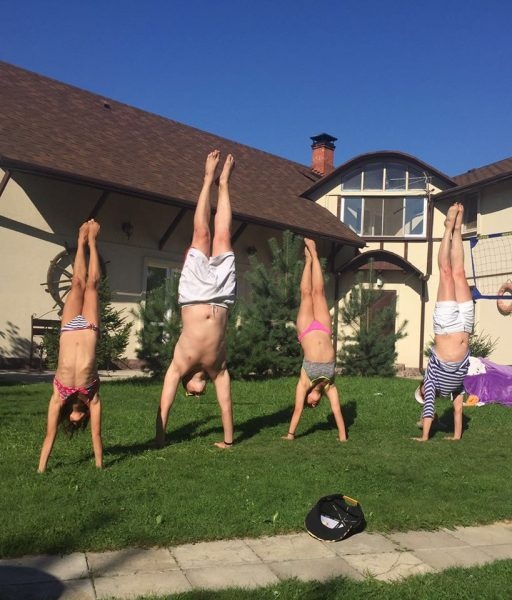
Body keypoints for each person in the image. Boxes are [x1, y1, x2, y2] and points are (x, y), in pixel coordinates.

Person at [156, 150, 236, 449]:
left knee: (201, 234)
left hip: (193, 295)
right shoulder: (219, 369)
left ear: (185, 384)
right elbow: (226, 404)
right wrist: (228, 441)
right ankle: (224, 183)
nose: (193, 395)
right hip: (222, 297)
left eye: (188, 393)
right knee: (223, 235)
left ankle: (207, 179)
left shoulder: (179, 364)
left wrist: (160, 437)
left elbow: (165, 401)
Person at [38, 220, 103, 472]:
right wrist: (99, 465)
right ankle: (92, 242)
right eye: (80, 422)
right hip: (88, 328)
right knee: (92, 285)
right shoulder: (92, 397)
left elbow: (49, 435)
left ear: (67, 416)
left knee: (77, 283)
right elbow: (96, 435)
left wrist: (41, 468)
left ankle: (80, 240)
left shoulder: (58, 397)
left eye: (72, 423)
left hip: (69, 328)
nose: (76, 421)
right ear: (85, 416)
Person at [413, 203, 474, 442]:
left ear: (421, 388)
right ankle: (457, 229)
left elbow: (428, 408)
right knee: (460, 273)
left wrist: (424, 437)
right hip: (465, 325)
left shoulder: (430, 380)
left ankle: (447, 228)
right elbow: (458, 410)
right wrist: (456, 436)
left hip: (447, 326)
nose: (424, 394)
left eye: (420, 393)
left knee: (446, 273)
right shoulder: (454, 387)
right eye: (423, 394)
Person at [283, 238, 347, 442]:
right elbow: (337, 410)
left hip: (306, 330)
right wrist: (343, 437)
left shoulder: (304, 382)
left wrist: (290, 435)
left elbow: (297, 409)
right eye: (315, 404)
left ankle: (309, 260)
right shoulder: (330, 385)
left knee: (306, 294)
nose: (312, 404)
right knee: (319, 292)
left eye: (310, 403)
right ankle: (315, 255)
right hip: (324, 329)